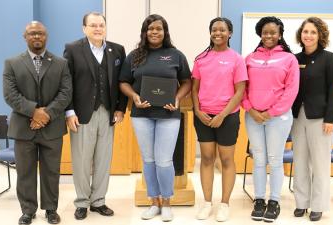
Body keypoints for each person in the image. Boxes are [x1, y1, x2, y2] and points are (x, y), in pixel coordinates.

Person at [119, 14, 191, 222]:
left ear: (165, 32)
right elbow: (123, 81)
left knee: (164, 160)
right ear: (144, 32)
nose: (154, 32)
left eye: (158, 28)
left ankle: (167, 202)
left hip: (169, 114)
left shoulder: (176, 55)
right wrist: (134, 96)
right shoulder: (134, 55)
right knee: (149, 160)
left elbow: (186, 81)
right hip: (142, 114)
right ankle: (153, 201)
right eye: (150, 29)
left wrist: (177, 98)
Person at [3, 21, 72, 225]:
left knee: (52, 171)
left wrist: (46, 114)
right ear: (25, 36)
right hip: (23, 128)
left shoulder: (61, 63)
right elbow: (9, 94)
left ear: (46, 36)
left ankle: (51, 209)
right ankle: (28, 210)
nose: (36, 37)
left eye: (40, 33)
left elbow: (66, 93)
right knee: (25, 172)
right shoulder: (12, 63)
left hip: (52, 127)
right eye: (32, 33)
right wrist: (34, 112)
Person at [63, 12, 127, 220]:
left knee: (103, 159)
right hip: (81, 114)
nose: (98, 28)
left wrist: (120, 108)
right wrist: (69, 111)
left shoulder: (117, 50)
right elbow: (66, 83)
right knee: (81, 159)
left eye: (101, 25)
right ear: (84, 28)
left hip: (108, 112)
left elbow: (123, 81)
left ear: (105, 27)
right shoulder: (73, 49)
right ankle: (82, 202)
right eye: (93, 25)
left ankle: (98, 201)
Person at [242, 16, 299, 222]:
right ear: (260, 34)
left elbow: (291, 90)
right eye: (265, 32)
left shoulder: (289, 59)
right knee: (259, 159)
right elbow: (242, 88)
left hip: (279, 118)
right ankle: (259, 200)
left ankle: (274, 202)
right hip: (253, 116)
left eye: (273, 32)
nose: (269, 35)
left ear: (280, 34)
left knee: (275, 160)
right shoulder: (249, 58)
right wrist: (250, 109)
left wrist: (271, 112)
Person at [192, 17, 247, 222]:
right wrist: (197, 111)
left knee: (225, 160)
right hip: (204, 116)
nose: (218, 33)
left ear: (230, 33)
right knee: (206, 159)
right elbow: (195, 88)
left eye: (222, 30)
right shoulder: (201, 59)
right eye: (214, 30)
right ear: (210, 33)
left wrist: (222, 115)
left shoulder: (236, 59)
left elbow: (240, 91)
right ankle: (207, 203)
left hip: (228, 116)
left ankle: (224, 204)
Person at [291, 17, 333, 222]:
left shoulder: (329, 58)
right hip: (297, 117)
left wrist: (331, 118)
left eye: (312, 32)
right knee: (300, 162)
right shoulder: (294, 58)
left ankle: (318, 206)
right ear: (300, 35)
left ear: (320, 35)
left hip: (320, 118)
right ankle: (302, 203)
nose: (308, 35)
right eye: (305, 31)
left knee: (320, 164)